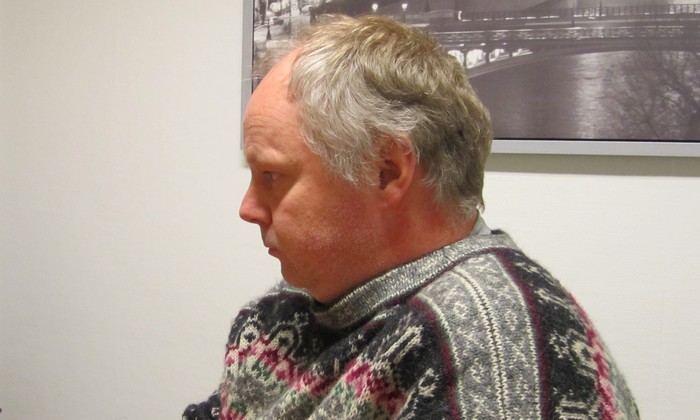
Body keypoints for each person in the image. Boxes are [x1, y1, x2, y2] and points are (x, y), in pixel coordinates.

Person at [184, 14, 638, 419]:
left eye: (271, 175)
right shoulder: (298, 304)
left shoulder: (500, 348)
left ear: (386, 171)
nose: (247, 208)